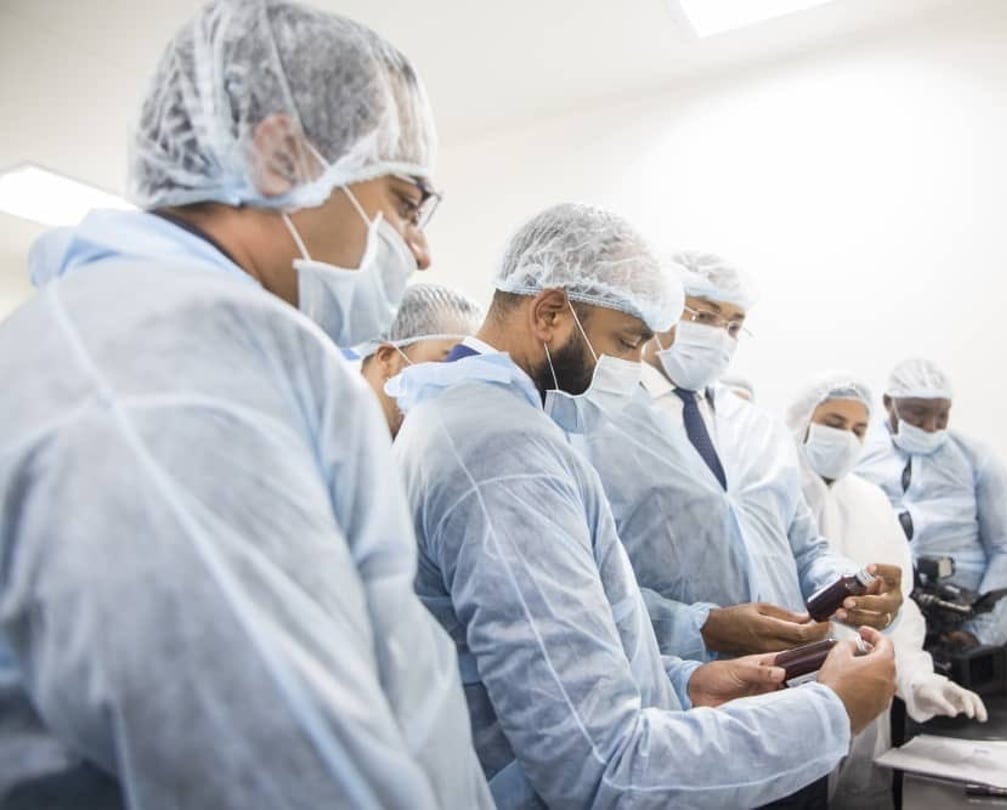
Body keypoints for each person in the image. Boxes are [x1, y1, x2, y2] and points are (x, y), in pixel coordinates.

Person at [0, 2, 491, 807]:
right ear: (280, 158)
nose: (421, 248)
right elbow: (275, 767)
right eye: (405, 201)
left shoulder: (206, 347)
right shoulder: (160, 374)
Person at [389, 202, 897, 809]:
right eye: (626, 342)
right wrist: (830, 711)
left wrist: (682, 680)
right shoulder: (502, 451)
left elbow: (572, 647)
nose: (633, 366)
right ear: (550, 313)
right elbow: (603, 768)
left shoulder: (482, 420)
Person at [574, 250, 904, 665]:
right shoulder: (596, 420)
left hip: (787, 670)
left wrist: (847, 585)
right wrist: (701, 626)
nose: (720, 337)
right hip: (672, 678)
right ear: (658, 313)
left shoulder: (757, 428)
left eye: (734, 325)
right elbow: (585, 578)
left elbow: (804, 548)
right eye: (705, 317)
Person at [787, 372, 987, 809]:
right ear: (801, 420)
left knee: (860, 796)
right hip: (785, 704)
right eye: (834, 424)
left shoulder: (872, 502)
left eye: (859, 430)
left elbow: (899, 612)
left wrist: (917, 679)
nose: (847, 438)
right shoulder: (773, 495)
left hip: (866, 709)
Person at [854, 358, 1007, 672]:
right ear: (888, 403)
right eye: (917, 412)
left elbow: (1006, 550)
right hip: (895, 628)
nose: (931, 426)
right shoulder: (858, 455)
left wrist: (978, 631)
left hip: (974, 630)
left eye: (942, 414)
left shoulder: (976, 458)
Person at [354, 283, 483, 436]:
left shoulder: (427, 447)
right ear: (386, 358)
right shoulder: (331, 438)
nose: (460, 384)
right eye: (449, 362)